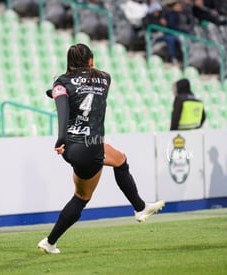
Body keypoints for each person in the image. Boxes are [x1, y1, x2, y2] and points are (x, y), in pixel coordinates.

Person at [38, 44, 165, 254]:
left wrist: (60, 139)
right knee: (81, 198)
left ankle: (140, 207)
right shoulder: (105, 78)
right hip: (91, 146)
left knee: (119, 158)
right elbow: (85, 91)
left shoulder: (60, 83)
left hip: (72, 146)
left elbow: (62, 105)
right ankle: (49, 242)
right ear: (91, 60)